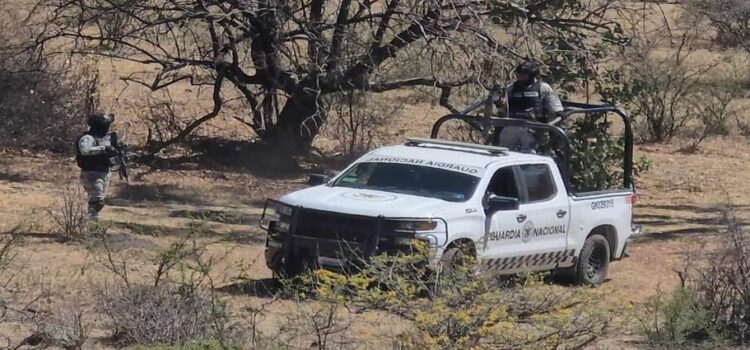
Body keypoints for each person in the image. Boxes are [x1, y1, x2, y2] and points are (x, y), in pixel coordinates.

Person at [497, 61, 565, 153]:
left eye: (523, 74)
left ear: (532, 75)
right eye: (518, 73)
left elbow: (555, 103)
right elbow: (503, 109)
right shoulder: (511, 88)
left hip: (533, 127)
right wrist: (499, 103)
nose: (520, 76)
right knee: (504, 152)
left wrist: (557, 114)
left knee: (530, 153)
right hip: (512, 125)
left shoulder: (543, 87)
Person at [74, 112, 119, 221]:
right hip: (91, 172)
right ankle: (91, 220)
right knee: (97, 199)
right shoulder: (87, 138)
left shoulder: (105, 138)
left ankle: (90, 220)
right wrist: (104, 149)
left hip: (104, 171)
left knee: (100, 198)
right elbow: (84, 150)